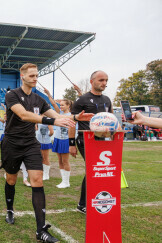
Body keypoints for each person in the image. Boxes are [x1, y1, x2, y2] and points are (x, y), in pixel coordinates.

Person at [1, 63, 92, 242]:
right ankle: (10, 210)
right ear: (23, 77)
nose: (35, 78)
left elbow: (56, 115)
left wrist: (74, 117)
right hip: (12, 143)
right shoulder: (12, 95)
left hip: (30, 143)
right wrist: (52, 120)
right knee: (11, 180)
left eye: (36, 75)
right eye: (32, 75)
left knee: (37, 180)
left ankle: (41, 229)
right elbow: (24, 115)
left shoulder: (39, 99)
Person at [69, 70, 113, 215]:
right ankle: (82, 204)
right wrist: (71, 144)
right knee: (93, 170)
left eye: (106, 80)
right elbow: (71, 122)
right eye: (101, 80)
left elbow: (111, 119)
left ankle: (95, 200)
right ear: (92, 81)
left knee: (99, 171)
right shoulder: (82, 100)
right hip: (85, 140)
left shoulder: (107, 99)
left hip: (104, 141)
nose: (104, 83)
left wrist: (113, 135)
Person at [52, 100, 73, 188]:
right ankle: (63, 181)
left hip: (65, 139)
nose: (61, 107)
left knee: (65, 161)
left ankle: (66, 182)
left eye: (63, 105)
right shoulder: (58, 113)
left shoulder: (71, 115)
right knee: (60, 161)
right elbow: (53, 104)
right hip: (57, 138)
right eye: (60, 105)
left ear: (68, 106)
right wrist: (48, 94)